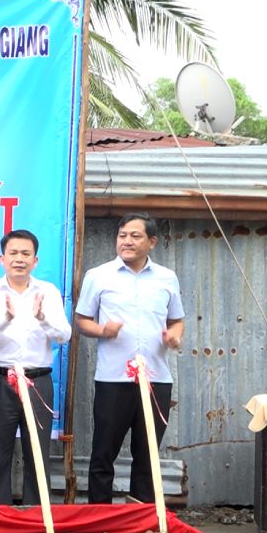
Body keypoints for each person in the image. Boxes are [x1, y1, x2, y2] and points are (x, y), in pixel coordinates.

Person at [75, 212, 184, 504]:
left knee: (147, 453)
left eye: (135, 236)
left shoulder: (166, 278)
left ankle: (141, 518)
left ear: (152, 242)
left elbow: (177, 320)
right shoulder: (98, 276)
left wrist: (174, 336)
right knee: (103, 452)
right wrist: (102, 330)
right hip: (113, 380)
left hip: (156, 379)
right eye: (122, 235)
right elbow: (82, 320)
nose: (127, 241)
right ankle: (99, 519)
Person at [0, 230, 71, 506]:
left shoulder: (47, 291)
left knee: (37, 451)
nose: (19, 259)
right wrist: (4, 320)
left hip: (38, 381)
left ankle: (38, 518)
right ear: (2, 259)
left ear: (35, 260)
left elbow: (64, 335)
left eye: (25, 254)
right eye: (13, 253)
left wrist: (42, 318)